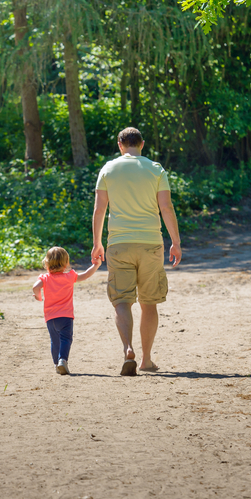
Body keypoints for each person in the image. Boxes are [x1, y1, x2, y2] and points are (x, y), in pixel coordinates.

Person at [91, 127, 182, 376]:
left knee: (122, 301)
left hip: (119, 244)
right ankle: (146, 360)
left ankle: (127, 348)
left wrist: (97, 243)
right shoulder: (155, 169)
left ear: (120, 145)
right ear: (142, 144)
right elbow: (166, 207)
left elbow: (99, 210)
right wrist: (175, 241)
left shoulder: (108, 169)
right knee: (149, 302)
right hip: (151, 243)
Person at [32, 246, 103, 375]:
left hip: (50, 317)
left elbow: (35, 287)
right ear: (66, 264)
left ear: (47, 263)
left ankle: (56, 364)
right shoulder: (69, 276)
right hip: (65, 316)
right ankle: (62, 360)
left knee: (55, 341)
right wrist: (96, 266)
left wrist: (38, 296)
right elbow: (85, 275)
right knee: (66, 339)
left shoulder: (45, 278)